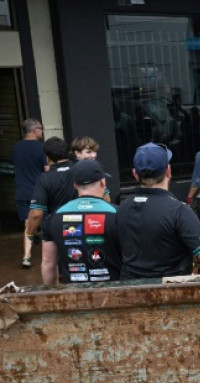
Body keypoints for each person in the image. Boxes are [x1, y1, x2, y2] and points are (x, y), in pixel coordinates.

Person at [118, 142, 200, 279]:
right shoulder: (178, 211)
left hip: (129, 292)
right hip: (168, 293)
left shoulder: (121, 208)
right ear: (168, 171)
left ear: (135, 174)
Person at [44, 159, 121, 285]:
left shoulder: (54, 217)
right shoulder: (117, 213)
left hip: (74, 294)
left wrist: (50, 295)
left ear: (75, 185)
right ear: (102, 182)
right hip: (113, 292)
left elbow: (48, 263)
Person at [27, 138, 78, 274]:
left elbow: (36, 213)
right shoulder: (80, 171)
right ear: (68, 152)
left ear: (48, 157)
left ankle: (53, 292)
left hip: (54, 227)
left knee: (50, 263)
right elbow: (104, 196)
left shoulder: (45, 179)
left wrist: (30, 233)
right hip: (81, 224)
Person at [13, 119, 45, 268]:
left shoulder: (16, 148)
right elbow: (47, 170)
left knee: (28, 222)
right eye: (40, 128)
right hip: (38, 190)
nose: (42, 131)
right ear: (33, 131)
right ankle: (33, 255)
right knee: (41, 221)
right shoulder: (41, 148)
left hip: (21, 190)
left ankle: (28, 253)